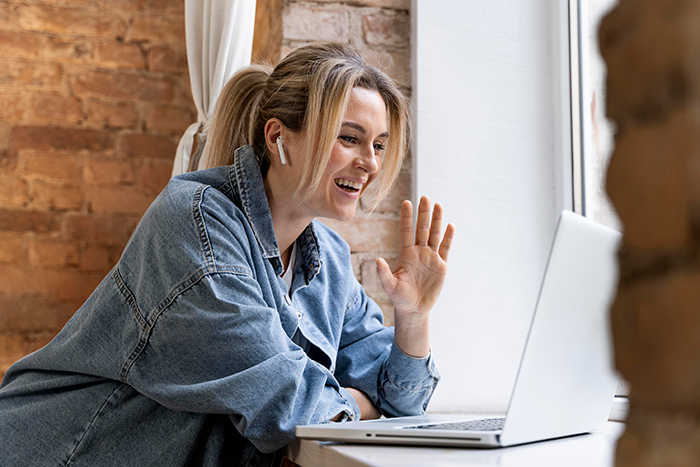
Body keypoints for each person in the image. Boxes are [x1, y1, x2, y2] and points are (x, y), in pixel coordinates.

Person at [0, 42, 455, 466]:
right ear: (279, 138)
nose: (371, 163)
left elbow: (401, 405)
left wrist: (413, 319)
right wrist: (356, 404)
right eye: (349, 138)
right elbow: (288, 404)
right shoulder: (194, 223)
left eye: (379, 144)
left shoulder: (330, 259)